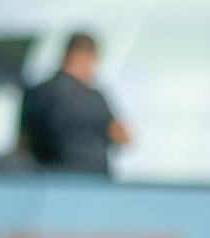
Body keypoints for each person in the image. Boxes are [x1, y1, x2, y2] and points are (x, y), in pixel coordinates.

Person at [18, 32, 131, 176]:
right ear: (87, 58)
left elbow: (22, 146)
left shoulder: (35, 93)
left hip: (48, 182)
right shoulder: (93, 97)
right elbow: (124, 137)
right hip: (93, 184)